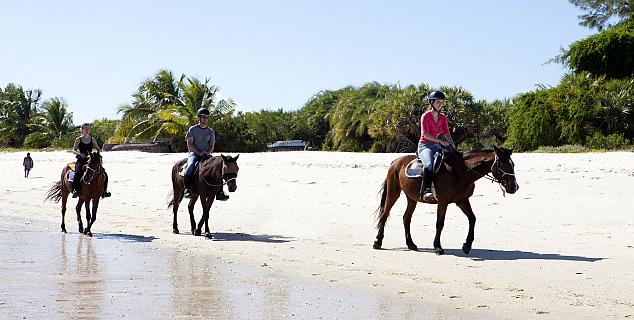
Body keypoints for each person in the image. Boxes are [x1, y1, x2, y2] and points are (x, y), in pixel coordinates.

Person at [183, 108, 229, 200]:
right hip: (194, 153)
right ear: (199, 118)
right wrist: (199, 153)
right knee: (190, 166)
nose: (205, 120)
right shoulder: (192, 129)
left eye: (207, 118)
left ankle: (220, 192)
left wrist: (207, 153)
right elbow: (190, 144)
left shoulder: (210, 131)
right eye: (203, 117)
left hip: (207, 154)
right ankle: (187, 189)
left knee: (217, 168)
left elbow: (211, 145)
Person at [418, 91, 455, 201]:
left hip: (436, 146)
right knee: (429, 164)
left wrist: (452, 145)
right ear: (431, 102)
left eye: (442, 102)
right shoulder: (426, 116)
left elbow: (446, 133)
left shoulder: (443, 117)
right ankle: (426, 190)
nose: (440, 104)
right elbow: (425, 134)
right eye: (438, 101)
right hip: (425, 145)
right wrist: (442, 142)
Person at [71, 123, 111, 198]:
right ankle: (75, 190)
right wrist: (79, 153)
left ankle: (105, 191)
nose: (87, 130)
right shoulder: (78, 139)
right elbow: (73, 150)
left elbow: (98, 149)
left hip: (91, 159)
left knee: (104, 173)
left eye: (88, 128)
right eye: (85, 128)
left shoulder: (92, 139)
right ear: (82, 129)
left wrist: (96, 153)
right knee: (78, 172)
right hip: (81, 159)